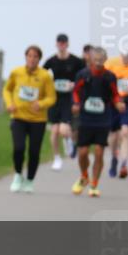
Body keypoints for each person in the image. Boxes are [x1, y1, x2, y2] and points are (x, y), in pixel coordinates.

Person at [2, 45, 57, 193]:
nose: (32, 59)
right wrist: (9, 103)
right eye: (30, 56)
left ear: (39, 59)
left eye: (35, 57)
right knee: (19, 148)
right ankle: (18, 175)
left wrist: (41, 103)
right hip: (18, 117)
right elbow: (7, 89)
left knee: (34, 151)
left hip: (38, 120)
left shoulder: (45, 76)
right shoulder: (16, 72)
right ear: (25, 57)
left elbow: (52, 97)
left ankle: (30, 180)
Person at [71, 47, 124, 197]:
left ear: (106, 59)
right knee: (83, 152)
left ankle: (94, 184)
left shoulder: (110, 77)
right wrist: (75, 104)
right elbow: (75, 92)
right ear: (90, 59)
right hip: (85, 118)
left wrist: (118, 103)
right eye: (96, 60)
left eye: (102, 60)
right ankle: (84, 176)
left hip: (102, 118)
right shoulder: (83, 75)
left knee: (99, 152)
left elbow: (115, 95)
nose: (99, 63)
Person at [44, 33, 85, 170]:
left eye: (64, 43)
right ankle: (57, 158)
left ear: (67, 44)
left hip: (69, 98)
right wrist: (49, 83)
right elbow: (42, 74)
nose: (61, 45)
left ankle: (69, 141)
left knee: (63, 130)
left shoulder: (75, 61)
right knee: (54, 131)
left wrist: (75, 84)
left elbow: (84, 76)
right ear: (56, 44)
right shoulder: (51, 61)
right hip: (55, 98)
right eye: (59, 43)